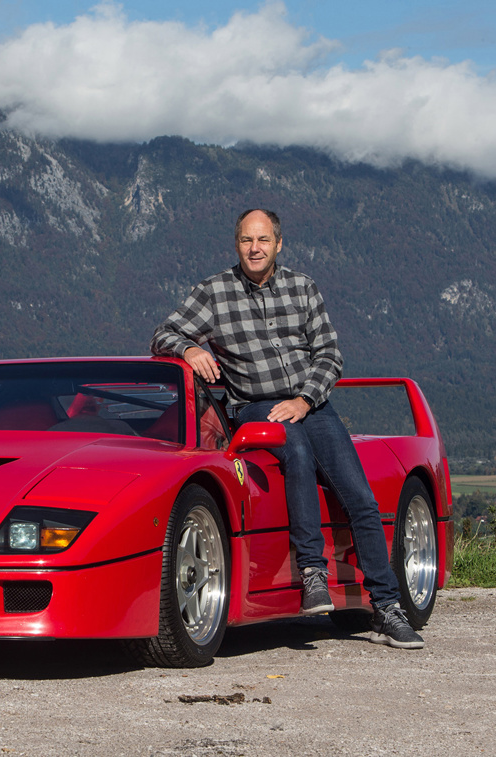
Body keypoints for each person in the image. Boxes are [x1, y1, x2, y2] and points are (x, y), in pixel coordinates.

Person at [150, 208, 425, 649]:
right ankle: (312, 574)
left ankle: (387, 609)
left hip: (311, 403)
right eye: (245, 241)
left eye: (262, 240)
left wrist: (304, 400)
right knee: (293, 450)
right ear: (236, 245)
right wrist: (188, 348)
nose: (254, 249)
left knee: (361, 498)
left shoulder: (302, 287)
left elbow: (330, 355)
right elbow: (162, 333)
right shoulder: (214, 292)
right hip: (255, 406)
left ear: (279, 244)